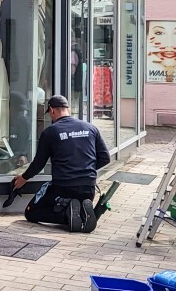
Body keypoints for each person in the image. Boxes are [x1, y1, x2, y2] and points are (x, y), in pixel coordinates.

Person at [7, 94, 111, 231]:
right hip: (88, 188)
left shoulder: (50, 132)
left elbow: (39, 163)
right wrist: (86, 169)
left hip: (63, 188)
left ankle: (67, 214)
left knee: (31, 212)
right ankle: (81, 213)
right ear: (67, 108)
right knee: (78, 203)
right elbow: (105, 158)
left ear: (51, 110)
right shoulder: (90, 128)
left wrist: (24, 178)